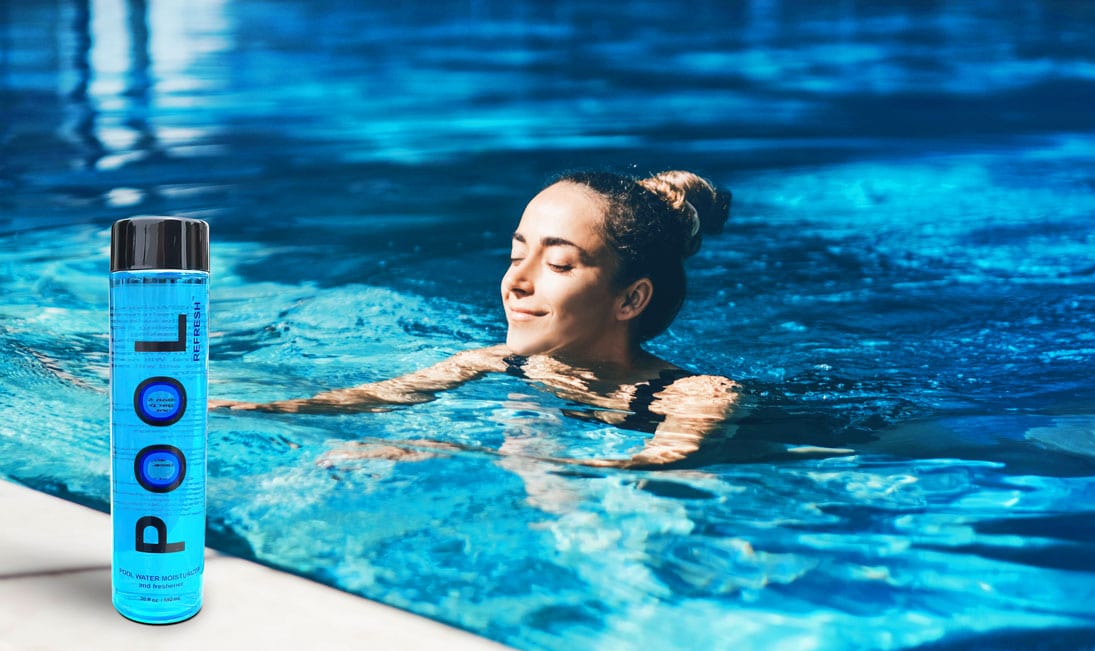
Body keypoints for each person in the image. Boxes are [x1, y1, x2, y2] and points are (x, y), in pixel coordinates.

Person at [213, 170, 850, 469]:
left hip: (857, 438)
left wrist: (444, 451)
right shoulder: (498, 361)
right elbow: (364, 399)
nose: (517, 282)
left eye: (560, 263)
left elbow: (645, 471)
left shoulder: (699, 398)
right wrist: (240, 410)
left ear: (631, 300)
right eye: (517, 253)